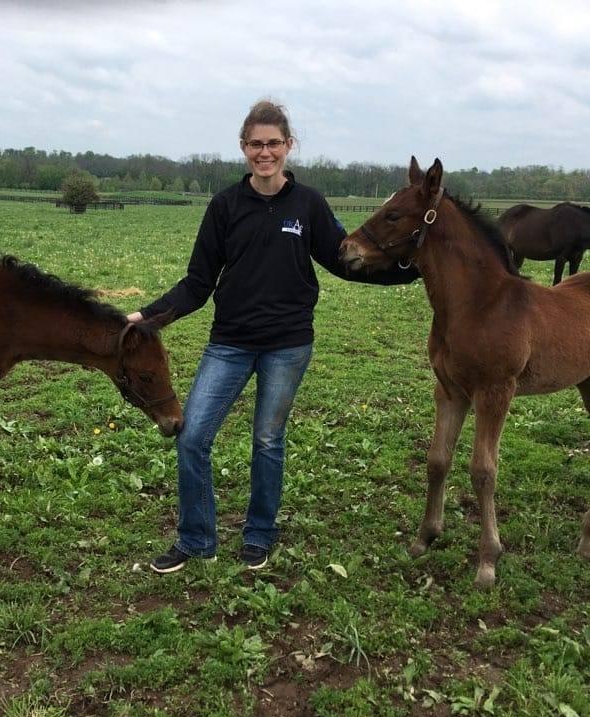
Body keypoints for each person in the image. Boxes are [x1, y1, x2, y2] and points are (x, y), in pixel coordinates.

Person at [127, 100, 419, 573]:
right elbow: (198, 283)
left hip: (288, 345)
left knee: (267, 439)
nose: (265, 152)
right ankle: (197, 538)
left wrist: (407, 272)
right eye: (256, 144)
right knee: (192, 436)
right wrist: (145, 318)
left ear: (288, 146)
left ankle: (259, 534)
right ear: (244, 148)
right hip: (230, 343)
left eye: (274, 143)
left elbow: (344, 264)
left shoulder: (309, 205)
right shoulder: (225, 206)